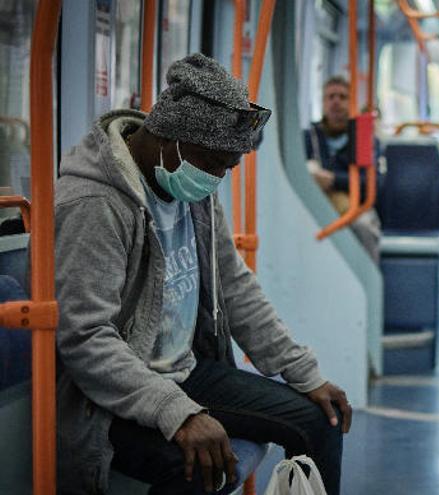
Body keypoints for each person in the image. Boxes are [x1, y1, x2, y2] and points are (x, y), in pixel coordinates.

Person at [55, 53, 352, 495]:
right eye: (213, 164)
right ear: (169, 140)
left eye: (227, 168)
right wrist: (178, 412)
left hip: (186, 371)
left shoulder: (189, 185)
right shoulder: (95, 205)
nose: (217, 179)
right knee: (199, 467)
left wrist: (302, 371)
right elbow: (85, 337)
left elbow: (235, 286)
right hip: (114, 395)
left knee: (319, 419)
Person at [304, 76, 381, 262]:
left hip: (355, 206)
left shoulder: (364, 137)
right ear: (323, 103)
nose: (336, 102)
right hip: (317, 204)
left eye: (342, 97)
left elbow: (373, 183)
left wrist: (333, 180)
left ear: (352, 102)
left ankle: (366, 282)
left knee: (364, 227)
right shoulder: (310, 137)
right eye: (330, 97)